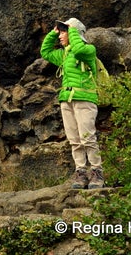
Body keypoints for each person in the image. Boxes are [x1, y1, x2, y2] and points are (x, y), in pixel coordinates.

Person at [40, 18, 105, 189]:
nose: (60, 36)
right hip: (66, 99)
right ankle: (81, 173)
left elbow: (79, 48)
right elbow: (45, 52)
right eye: (60, 33)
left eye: (63, 33)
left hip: (85, 99)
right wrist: (53, 33)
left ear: (74, 33)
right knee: (74, 140)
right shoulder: (65, 54)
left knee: (88, 138)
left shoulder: (88, 50)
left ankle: (97, 173)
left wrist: (72, 31)